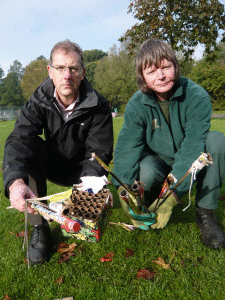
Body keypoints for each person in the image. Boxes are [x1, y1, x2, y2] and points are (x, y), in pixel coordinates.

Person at [3, 39, 113, 264]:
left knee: (83, 226)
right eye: (60, 68)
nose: (67, 75)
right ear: (50, 71)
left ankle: (84, 209)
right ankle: (40, 228)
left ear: (82, 72)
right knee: (30, 146)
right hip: (51, 164)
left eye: (73, 69)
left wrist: (91, 186)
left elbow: (99, 151)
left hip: (84, 171)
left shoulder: (99, 104)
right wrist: (15, 181)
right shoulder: (38, 100)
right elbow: (19, 139)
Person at [112, 38, 225, 249]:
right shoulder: (137, 104)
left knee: (217, 141)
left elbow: (193, 146)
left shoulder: (197, 96)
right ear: (142, 77)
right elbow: (127, 147)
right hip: (157, 161)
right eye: (152, 71)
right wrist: (123, 191)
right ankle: (149, 204)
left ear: (176, 66)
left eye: (166, 67)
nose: (161, 76)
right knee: (144, 171)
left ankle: (205, 212)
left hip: (191, 159)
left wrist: (173, 195)